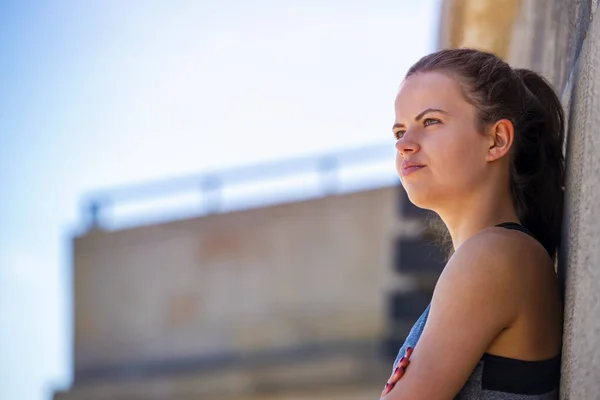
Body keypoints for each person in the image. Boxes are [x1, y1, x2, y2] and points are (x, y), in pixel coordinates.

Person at [380, 48, 565, 399]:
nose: (404, 144)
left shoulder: (494, 256)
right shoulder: (492, 255)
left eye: (430, 121)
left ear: (496, 140)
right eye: (399, 131)